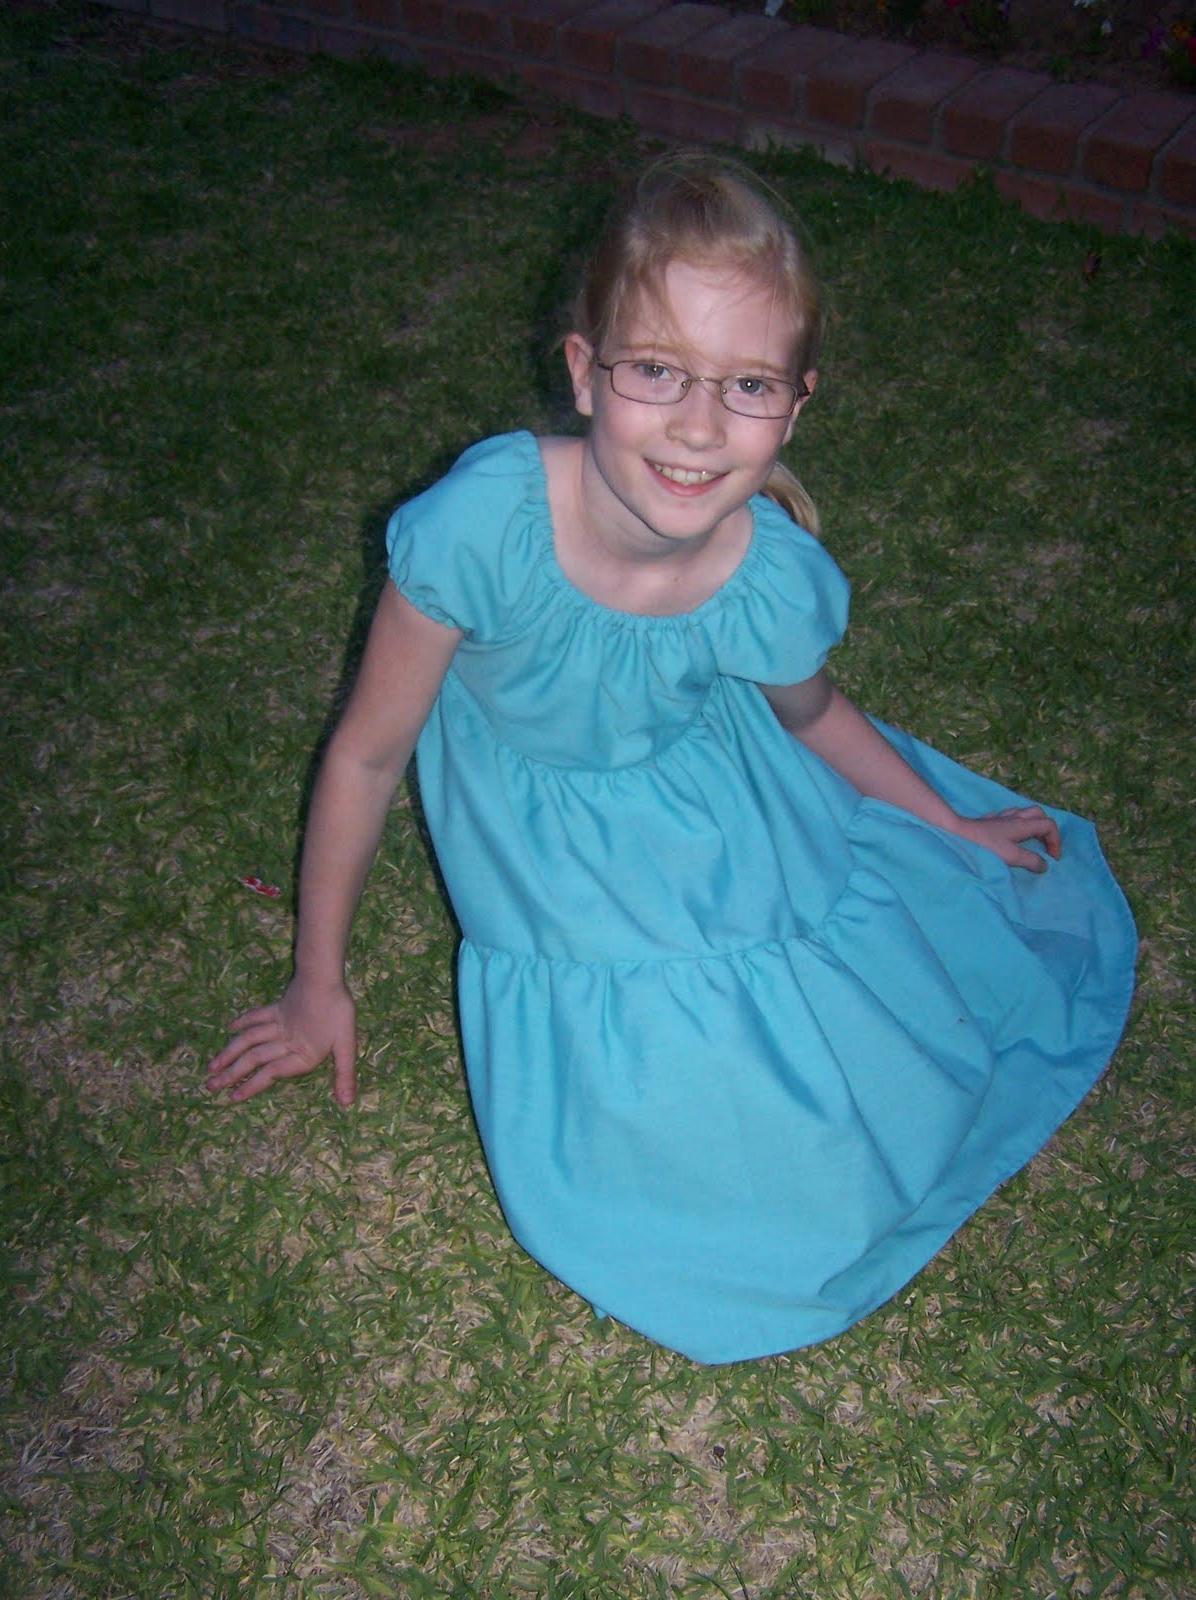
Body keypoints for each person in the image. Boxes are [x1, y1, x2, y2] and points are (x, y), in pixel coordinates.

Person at [208, 152, 1136, 1364]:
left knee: (822, 1033)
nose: (699, 426)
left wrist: (946, 824)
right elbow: (369, 757)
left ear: (797, 404)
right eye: (657, 370)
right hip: (540, 828)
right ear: (582, 371)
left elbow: (813, 715)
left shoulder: (765, 573)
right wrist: (316, 979)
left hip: (704, 788)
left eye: (747, 385)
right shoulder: (482, 527)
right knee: (657, 1121)